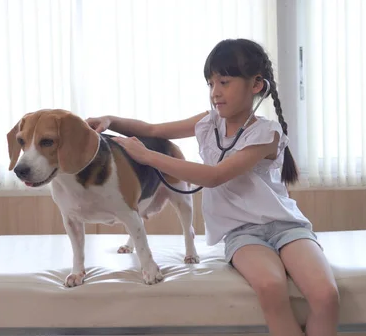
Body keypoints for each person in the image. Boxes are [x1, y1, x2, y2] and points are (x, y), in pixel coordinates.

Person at [86, 38, 339, 336]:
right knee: (271, 286)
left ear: (257, 85)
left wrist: (149, 156)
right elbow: (153, 130)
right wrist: (111, 120)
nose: (215, 92)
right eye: (210, 83)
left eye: (225, 81)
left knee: (326, 296)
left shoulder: (266, 133)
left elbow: (216, 175)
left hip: (286, 227)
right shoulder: (209, 123)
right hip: (243, 234)